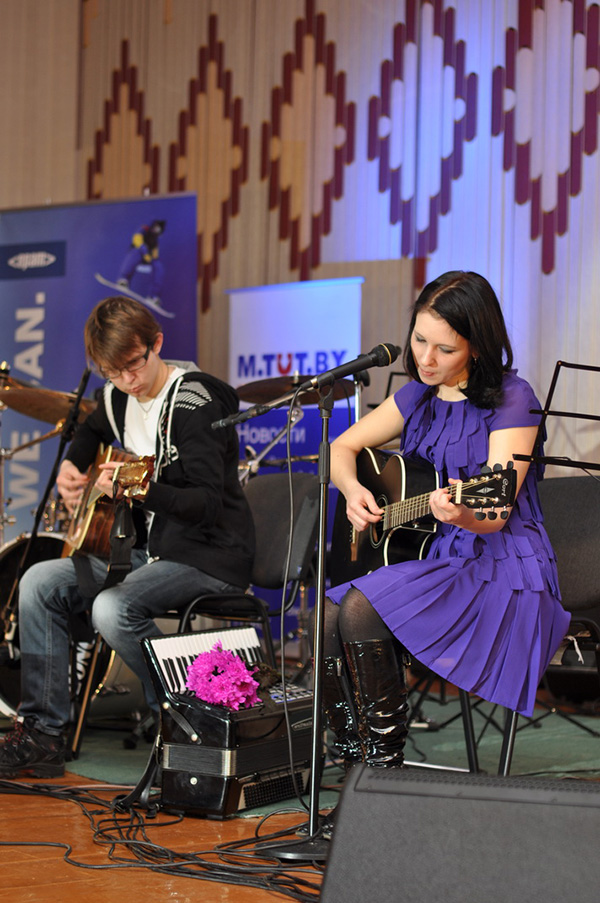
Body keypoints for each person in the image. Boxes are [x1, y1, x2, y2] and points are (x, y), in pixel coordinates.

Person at [320, 270, 569, 775]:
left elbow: (495, 513)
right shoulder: (418, 396)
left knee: (360, 608)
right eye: (419, 340)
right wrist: (352, 490)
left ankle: (382, 773)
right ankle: (352, 762)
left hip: (501, 564)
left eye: (445, 349)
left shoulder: (513, 397)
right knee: (326, 616)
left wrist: (463, 512)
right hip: (435, 554)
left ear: (477, 346)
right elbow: (340, 447)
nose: (426, 359)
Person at [0, 296, 255, 778]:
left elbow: (206, 504)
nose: (128, 381)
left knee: (112, 608)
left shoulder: (196, 401)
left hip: (211, 554)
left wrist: (137, 488)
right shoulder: (117, 396)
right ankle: (43, 733)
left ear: (156, 344)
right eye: (112, 372)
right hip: (149, 553)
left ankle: (186, 717)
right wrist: (73, 465)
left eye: (134, 365)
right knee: (38, 582)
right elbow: (90, 427)